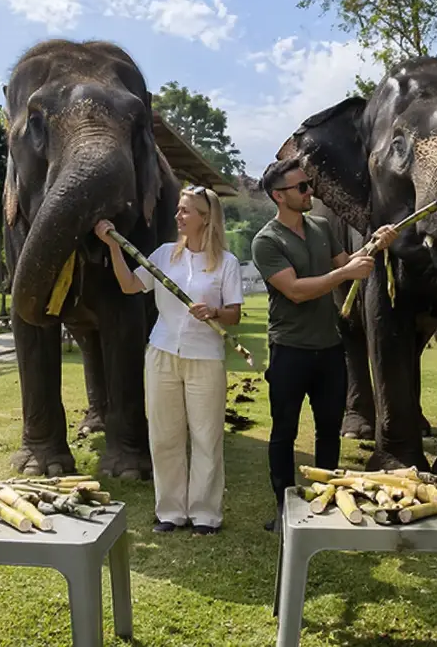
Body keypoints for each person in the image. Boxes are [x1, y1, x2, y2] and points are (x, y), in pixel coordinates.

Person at [251, 165, 398, 532]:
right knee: (283, 432)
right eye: (300, 186)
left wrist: (373, 243)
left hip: (329, 349)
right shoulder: (266, 241)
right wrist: (344, 275)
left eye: (309, 184)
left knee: (329, 430)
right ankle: (284, 509)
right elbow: (296, 290)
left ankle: (329, 500)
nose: (309, 190)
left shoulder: (320, 227)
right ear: (278, 196)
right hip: (290, 350)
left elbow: (343, 263)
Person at [94, 185, 243, 536]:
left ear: (206, 219)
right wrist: (114, 248)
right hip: (162, 353)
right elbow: (130, 285)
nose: (178, 216)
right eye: (179, 209)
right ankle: (171, 512)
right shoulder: (163, 256)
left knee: (206, 437)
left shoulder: (227, 263)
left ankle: (206, 514)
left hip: (205, 358)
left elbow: (234, 314)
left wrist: (215, 311)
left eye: (186, 211)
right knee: (164, 436)